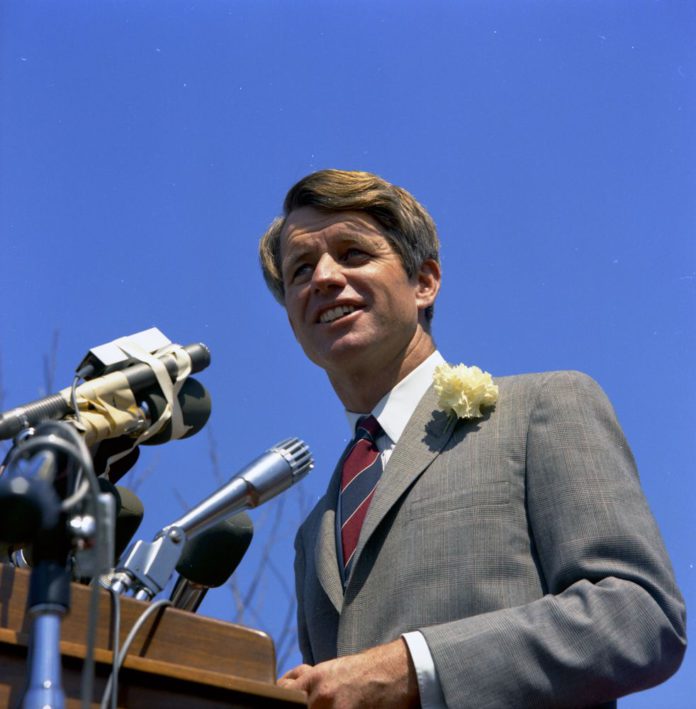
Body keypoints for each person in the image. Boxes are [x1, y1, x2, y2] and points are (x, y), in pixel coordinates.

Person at [260, 169, 686, 708]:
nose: (322, 277)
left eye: (352, 253)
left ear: (424, 282)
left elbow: (640, 616)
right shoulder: (314, 533)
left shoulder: (542, 407)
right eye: (301, 269)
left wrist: (415, 667)